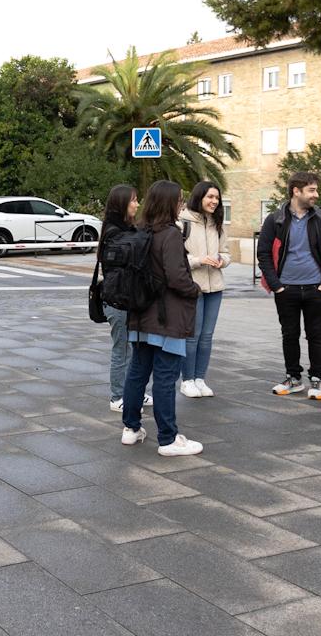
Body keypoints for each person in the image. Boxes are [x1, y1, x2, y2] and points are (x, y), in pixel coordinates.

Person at [119, 180, 203, 457]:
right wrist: (194, 290)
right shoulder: (170, 235)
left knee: (137, 372)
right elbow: (177, 277)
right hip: (167, 318)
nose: (181, 204)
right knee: (166, 378)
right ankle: (168, 438)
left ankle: (131, 429)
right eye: (179, 199)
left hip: (141, 316)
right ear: (170, 203)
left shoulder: (139, 231)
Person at [257, 171, 321, 400]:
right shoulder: (275, 220)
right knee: (289, 334)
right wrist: (276, 285)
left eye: (315, 189)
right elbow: (263, 254)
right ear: (296, 191)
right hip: (286, 289)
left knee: (316, 334)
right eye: (311, 190)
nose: (316, 194)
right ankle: (293, 378)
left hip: (316, 289)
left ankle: (317, 380)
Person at [99, 185, 153, 412]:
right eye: (133, 200)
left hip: (127, 298)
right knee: (121, 349)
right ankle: (117, 397)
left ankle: (134, 392)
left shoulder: (126, 229)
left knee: (132, 349)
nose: (137, 204)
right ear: (122, 203)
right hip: (117, 299)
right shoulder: (114, 232)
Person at [178, 180, 230, 398]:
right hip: (193, 287)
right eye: (210, 197)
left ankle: (200, 378)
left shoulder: (217, 224)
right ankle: (187, 380)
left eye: (217, 198)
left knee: (207, 336)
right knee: (192, 335)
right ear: (199, 197)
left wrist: (221, 260)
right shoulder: (183, 222)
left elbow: (227, 252)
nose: (214, 201)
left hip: (215, 286)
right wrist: (199, 260)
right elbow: (176, 257)